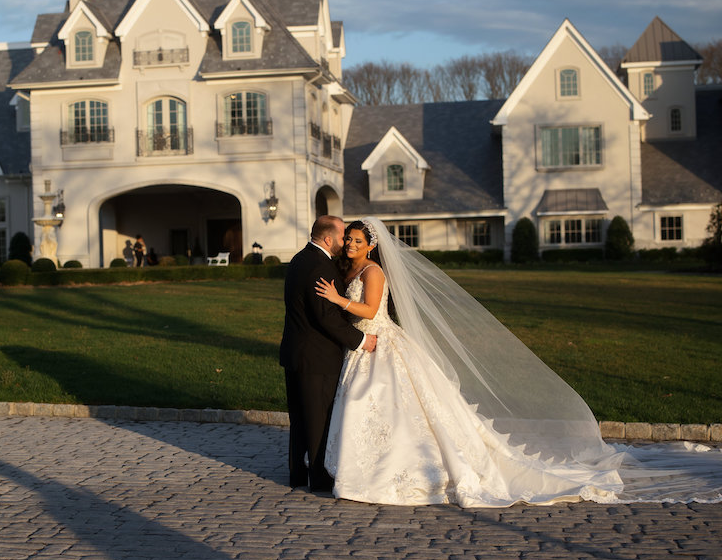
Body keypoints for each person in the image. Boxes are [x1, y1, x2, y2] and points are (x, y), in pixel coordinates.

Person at [315, 217, 722, 506]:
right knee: (379, 411)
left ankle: (400, 474)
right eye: (348, 239)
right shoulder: (350, 266)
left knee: (400, 409)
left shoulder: (373, 272)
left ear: (371, 244)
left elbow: (370, 310)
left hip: (379, 341)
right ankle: (366, 472)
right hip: (365, 348)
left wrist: (336, 300)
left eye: (357, 240)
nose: (351, 245)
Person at [280, 215, 377, 493]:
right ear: (328, 238)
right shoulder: (320, 266)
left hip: (296, 353)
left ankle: (297, 474)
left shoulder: (300, 259)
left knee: (299, 419)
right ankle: (320, 479)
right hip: (317, 358)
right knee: (318, 419)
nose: (345, 241)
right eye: (343, 235)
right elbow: (326, 318)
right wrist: (360, 340)